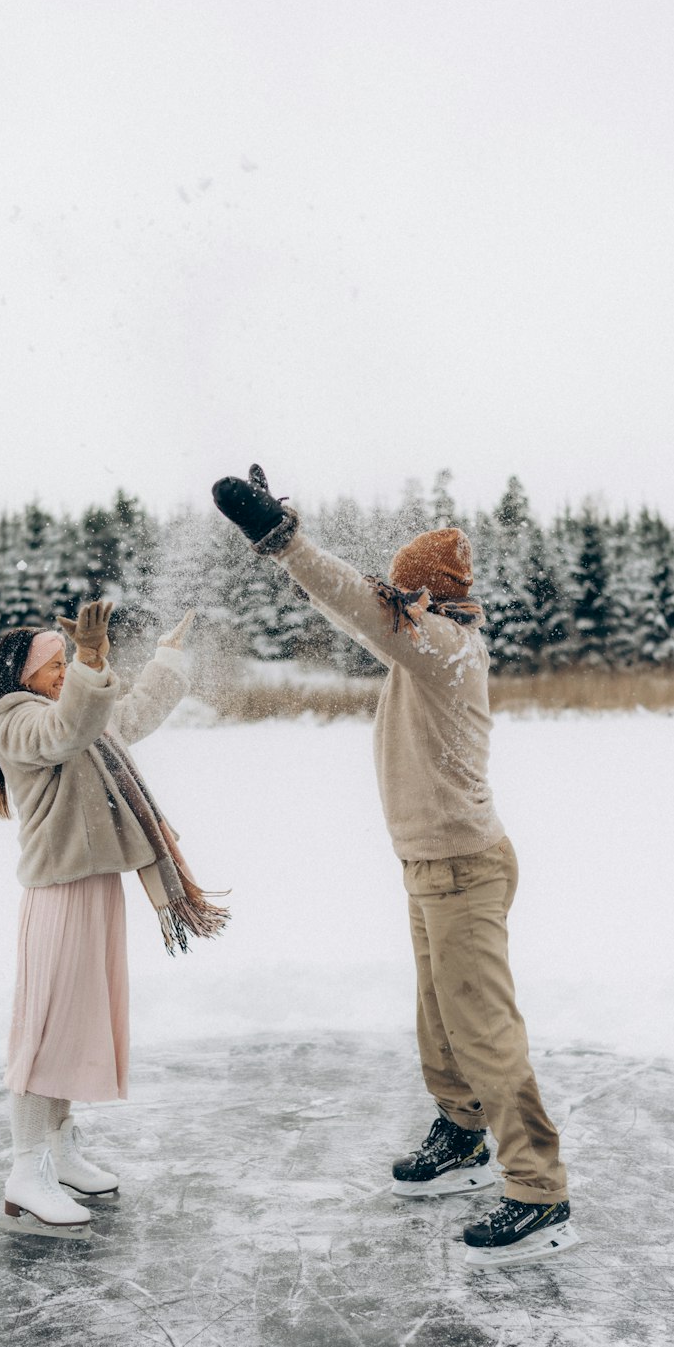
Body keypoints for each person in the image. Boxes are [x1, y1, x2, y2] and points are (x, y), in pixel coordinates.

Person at [212, 469, 576, 1268]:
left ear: (427, 596)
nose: (395, 604)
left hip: (464, 868)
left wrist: (286, 543)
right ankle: (462, 1134)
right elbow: (361, 612)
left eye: (404, 592)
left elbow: (358, 604)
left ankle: (540, 1192)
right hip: (430, 865)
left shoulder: (445, 648)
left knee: (485, 1032)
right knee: (440, 1025)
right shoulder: (424, 647)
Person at [0, 599, 227, 1238]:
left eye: (65, 662)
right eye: (55, 664)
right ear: (23, 676)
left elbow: (125, 717)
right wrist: (91, 660)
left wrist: (167, 656)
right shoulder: (14, 723)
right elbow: (68, 731)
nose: (63, 671)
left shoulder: (72, 713)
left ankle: (60, 1149)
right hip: (58, 893)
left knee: (77, 1023)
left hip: (95, 886)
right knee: (43, 1030)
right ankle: (26, 1174)